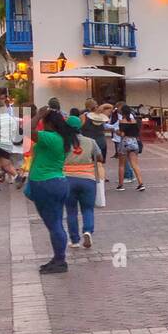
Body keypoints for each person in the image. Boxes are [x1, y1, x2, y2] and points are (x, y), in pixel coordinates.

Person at [27, 108, 75, 274]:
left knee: (54, 225)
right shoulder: (61, 139)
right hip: (57, 182)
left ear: (49, 123)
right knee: (55, 223)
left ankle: (60, 260)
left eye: (43, 121)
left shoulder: (51, 138)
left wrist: (38, 115)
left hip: (45, 183)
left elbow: (26, 130)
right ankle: (57, 258)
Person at [63, 113, 100, 248]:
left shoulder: (63, 141)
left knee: (71, 211)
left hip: (67, 179)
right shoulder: (90, 141)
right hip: (88, 179)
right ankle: (88, 231)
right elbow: (99, 157)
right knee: (88, 209)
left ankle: (74, 240)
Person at [115, 104, 145, 191]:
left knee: (121, 165)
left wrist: (117, 132)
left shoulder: (122, 121)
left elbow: (122, 134)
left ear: (122, 113)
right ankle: (141, 183)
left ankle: (121, 185)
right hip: (134, 142)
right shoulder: (134, 121)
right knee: (135, 164)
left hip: (125, 142)